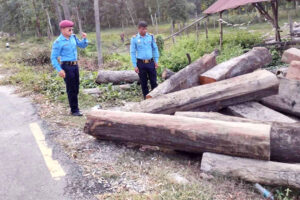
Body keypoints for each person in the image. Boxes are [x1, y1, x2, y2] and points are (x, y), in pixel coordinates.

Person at [51, 20, 88, 116]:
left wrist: (84, 39)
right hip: (66, 67)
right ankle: (74, 110)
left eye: (72, 29)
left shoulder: (73, 37)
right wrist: (59, 69)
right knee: (71, 89)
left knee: (76, 87)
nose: (71, 31)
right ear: (62, 29)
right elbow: (53, 58)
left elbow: (82, 45)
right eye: (69, 29)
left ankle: (74, 107)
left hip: (75, 65)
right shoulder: (58, 42)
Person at [130, 21, 160, 99]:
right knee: (144, 83)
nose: (145, 31)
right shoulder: (134, 39)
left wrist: (156, 61)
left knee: (153, 81)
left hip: (150, 62)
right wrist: (135, 65)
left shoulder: (150, 37)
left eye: (146, 29)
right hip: (141, 64)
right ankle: (146, 99)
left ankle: (155, 98)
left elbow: (155, 49)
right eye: (143, 29)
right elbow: (132, 52)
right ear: (139, 29)